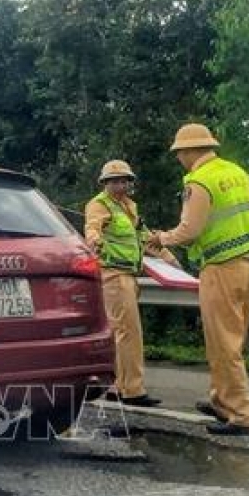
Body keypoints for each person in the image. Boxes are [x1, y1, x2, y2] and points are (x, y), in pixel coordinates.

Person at [148, 122, 249, 436]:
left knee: (223, 344)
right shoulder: (237, 172)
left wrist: (161, 239)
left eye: (179, 153)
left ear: (188, 151)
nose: (178, 158)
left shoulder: (198, 181)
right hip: (248, 263)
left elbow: (190, 231)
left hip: (221, 267)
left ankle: (242, 415)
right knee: (230, 339)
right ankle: (222, 401)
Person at [84, 160, 179, 407]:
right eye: (114, 181)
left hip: (128, 275)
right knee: (129, 332)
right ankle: (133, 390)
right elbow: (92, 228)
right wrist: (94, 241)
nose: (120, 185)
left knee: (120, 332)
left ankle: (119, 386)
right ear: (105, 183)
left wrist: (169, 259)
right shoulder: (99, 204)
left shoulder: (129, 208)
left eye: (124, 180)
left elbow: (145, 237)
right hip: (113, 274)